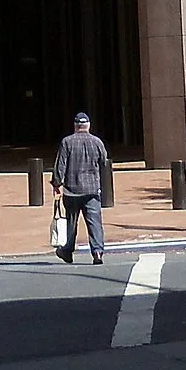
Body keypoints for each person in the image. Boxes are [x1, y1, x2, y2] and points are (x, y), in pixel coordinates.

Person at [52, 111, 109, 265]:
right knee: (94, 222)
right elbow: (104, 162)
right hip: (92, 190)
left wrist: (57, 183)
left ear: (76, 126)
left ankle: (67, 250)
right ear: (88, 125)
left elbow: (60, 166)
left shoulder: (67, 142)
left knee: (71, 222)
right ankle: (97, 252)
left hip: (71, 190)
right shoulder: (97, 142)